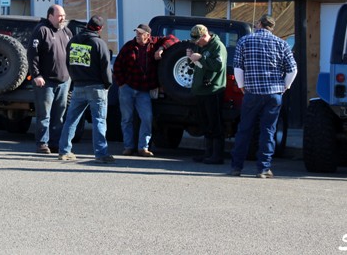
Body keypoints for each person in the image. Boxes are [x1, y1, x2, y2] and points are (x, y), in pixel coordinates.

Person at [229, 14, 297, 178]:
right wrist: (285, 87)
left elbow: (238, 67)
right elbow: (292, 69)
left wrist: (242, 86)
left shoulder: (245, 41)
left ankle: (236, 167)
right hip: (273, 93)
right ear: (272, 27)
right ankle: (263, 169)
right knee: (268, 131)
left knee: (244, 130)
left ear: (259, 24)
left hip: (251, 92)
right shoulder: (281, 43)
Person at [113, 24, 178, 157]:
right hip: (128, 88)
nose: (137, 35)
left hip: (144, 90)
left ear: (148, 35)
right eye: (137, 32)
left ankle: (143, 147)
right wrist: (122, 83)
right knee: (127, 119)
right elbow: (117, 65)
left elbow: (173, 39)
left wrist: (161, 48)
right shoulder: (128, 46)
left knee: (147, 118)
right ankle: (128, 147)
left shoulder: (155, 43)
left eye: (141, 33)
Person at [58, 15, 115, 163]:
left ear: (87, 25)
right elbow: (105, 67)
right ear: (100, 28)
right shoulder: (99, 43)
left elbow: (68, 63)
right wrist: (108, 84)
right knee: (99, 121)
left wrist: (75, 79)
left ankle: (64, 151)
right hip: (97, 87)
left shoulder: (73, 41)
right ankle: (101, 154)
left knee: (71, 119)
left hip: (78, 86)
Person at [28, 4, 72, 154]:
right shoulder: (42, 30)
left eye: (64, 15)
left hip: (64, 81)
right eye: (60, 16)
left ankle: (55, 143)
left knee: (59, 115)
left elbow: (73, 54)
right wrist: (37, 75)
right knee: (44, 114)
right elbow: (33, 54)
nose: (63, 18)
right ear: (50, 16)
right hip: (46, 81)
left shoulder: (66, 31)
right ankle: (42, 143)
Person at [186, 24, 228, 164]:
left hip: (213, 90)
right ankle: (208, 153)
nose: (196, 43)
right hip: (200, 90)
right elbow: (196, 66)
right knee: (205, 123)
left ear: (205, 35)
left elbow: (218, 66)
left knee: (215, 122)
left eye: (198, 40)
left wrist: (201, 58)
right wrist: (191, 58)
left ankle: (217, 155)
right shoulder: (200, 46)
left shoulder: (217, 46)